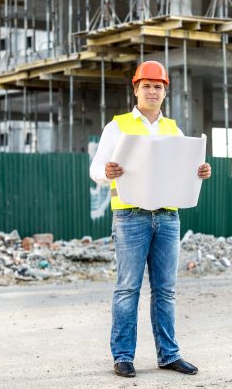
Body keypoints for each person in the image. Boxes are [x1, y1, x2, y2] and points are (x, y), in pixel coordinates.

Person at [90, 60, 211, 378]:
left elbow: (185, 169)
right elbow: (96, 169)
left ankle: (169, 355)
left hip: (168, 217)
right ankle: (123, 356)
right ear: (136, 88)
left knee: (166, 290)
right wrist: (107, 172)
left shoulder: (174, 130)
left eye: (158, 86)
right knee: (128, 288)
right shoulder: (117, 126)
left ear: (165, 91)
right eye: (147, 85)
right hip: (130, 217)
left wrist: (200, 171)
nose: (153, 90)